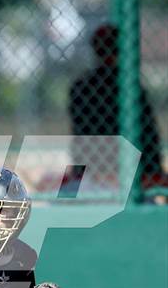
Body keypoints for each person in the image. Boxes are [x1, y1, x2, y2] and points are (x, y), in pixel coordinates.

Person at [68, 23, 166, 193]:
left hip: (92, 169)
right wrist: (154, 170)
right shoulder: (130, 86)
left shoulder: (80, 86)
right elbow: (150, 136)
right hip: (133, 170)